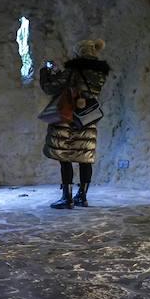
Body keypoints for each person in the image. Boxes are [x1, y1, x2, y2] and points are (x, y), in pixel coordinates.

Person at [39, 39, 110, 209]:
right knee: (85, 157)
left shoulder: (74, 70)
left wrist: (46, 72)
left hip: (69, 117)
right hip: (87, 117)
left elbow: (51, 87)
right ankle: (82, 197)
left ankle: (67, 198)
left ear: (80, 52)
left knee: (65, 156)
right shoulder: (100, 73)